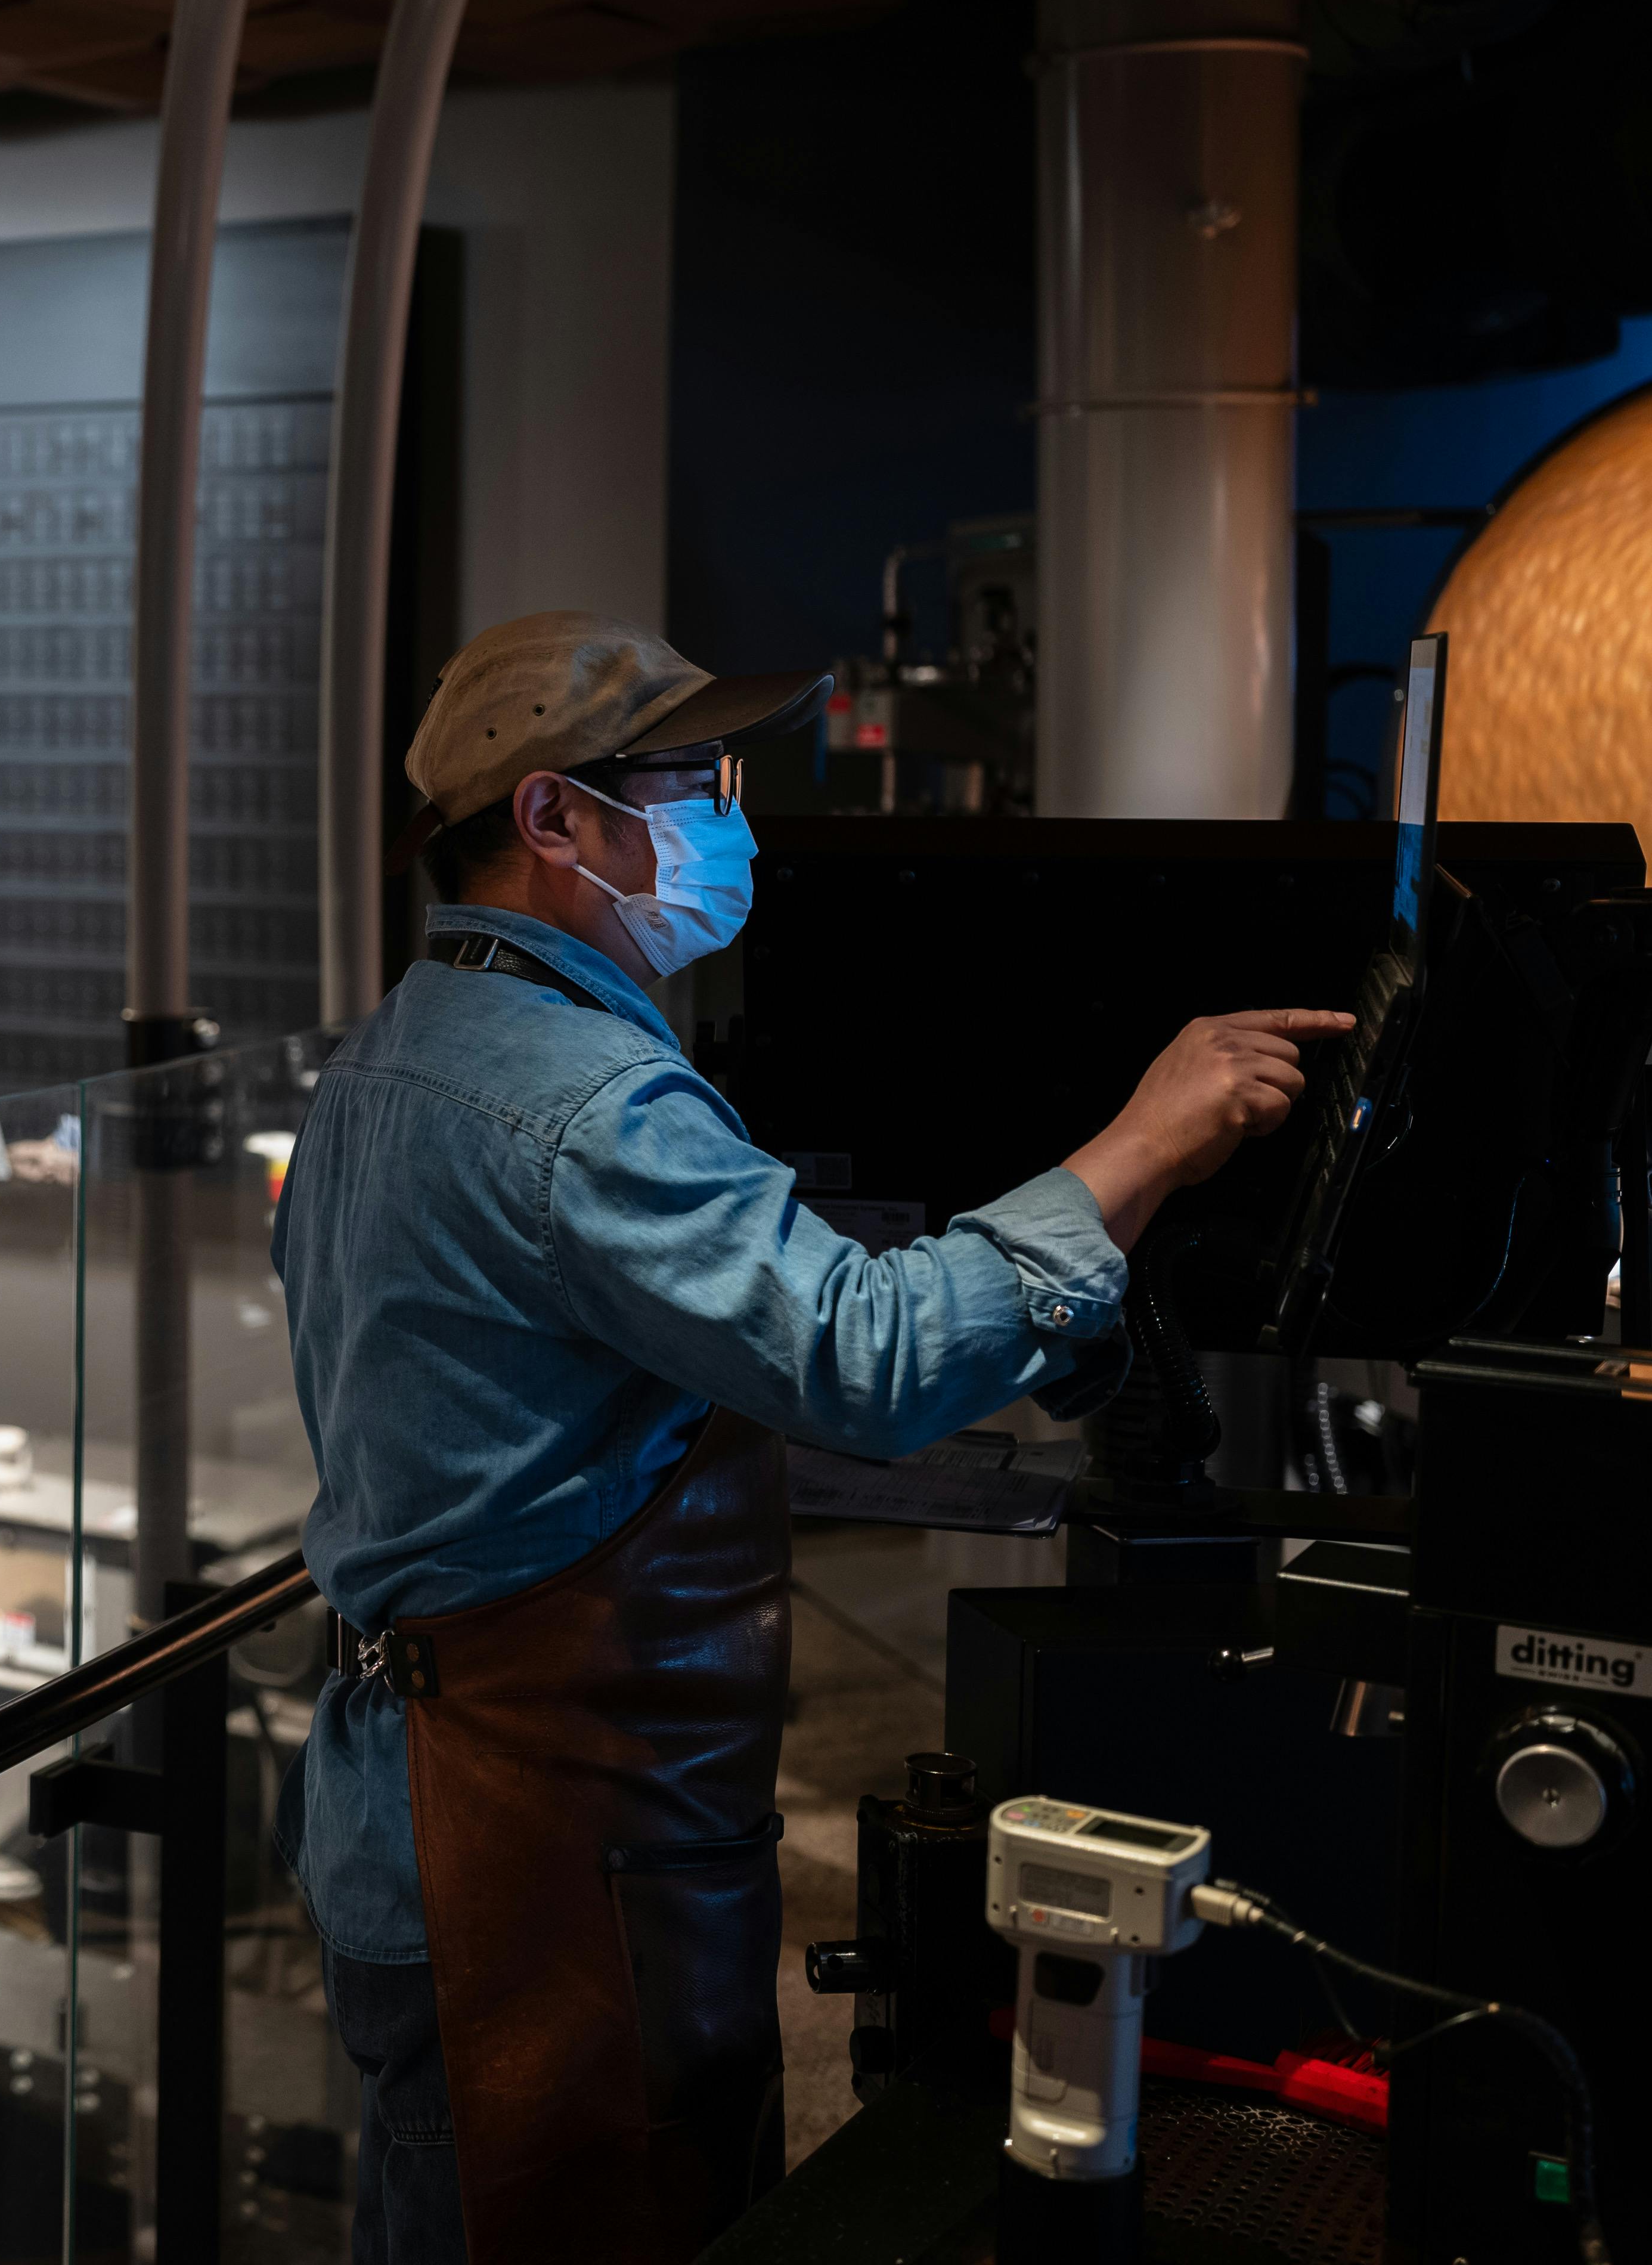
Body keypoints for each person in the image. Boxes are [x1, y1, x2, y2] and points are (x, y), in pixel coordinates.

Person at [270, 612, 1350, 2265]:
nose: (733, 817)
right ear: (556, 819)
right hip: (539, 1859)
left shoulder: (389, 1059)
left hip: (426, 1823)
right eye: (694, 781)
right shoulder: (579, 1103)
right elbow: (869, 1357)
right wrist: (1148, 1141)